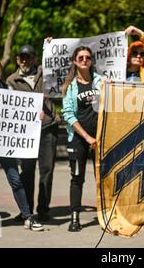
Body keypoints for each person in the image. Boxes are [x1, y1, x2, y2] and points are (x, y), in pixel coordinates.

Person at [0, 58, 43, 232]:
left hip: (5, 144)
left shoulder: (9, 90)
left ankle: (27, 217)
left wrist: (36, 115)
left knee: (15, 180)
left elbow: (23, 112)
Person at [6, 45, 60, 222]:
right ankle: (26, 210)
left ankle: (43, 209)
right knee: (27, 172)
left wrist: (51, 46)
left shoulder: (46, 73)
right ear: (17, 59)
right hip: (25, 134)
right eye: (22, 57)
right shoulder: (11, 81)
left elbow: (64, 66)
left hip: (47, 128)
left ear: (35, 59)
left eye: (28, 57)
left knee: (47, 170)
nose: (25, 61)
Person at [62, 46, 101, 232]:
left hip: (100, 139)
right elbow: (68, 114)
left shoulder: (100, 82)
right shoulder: (70, 86)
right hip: (79, 139)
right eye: (81, 57)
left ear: (91, 60)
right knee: (77, 178)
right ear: (75, 61)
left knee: (102, 178)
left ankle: (105, 215)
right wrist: (87, 137)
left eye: (88, 57)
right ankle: (75, 217)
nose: (84, 60)